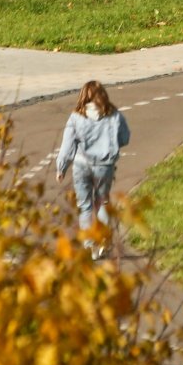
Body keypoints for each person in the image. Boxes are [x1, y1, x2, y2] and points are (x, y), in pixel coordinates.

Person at [55, 81, 131, 259]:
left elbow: (67, 146)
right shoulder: (114, 115)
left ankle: (90, 246)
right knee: (102, 201)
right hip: (104, 166)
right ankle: (104, 239)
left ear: (83, 97)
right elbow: (125, 138)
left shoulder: (76, 117)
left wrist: (61, 167)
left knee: (85, 206)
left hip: (82, 165)